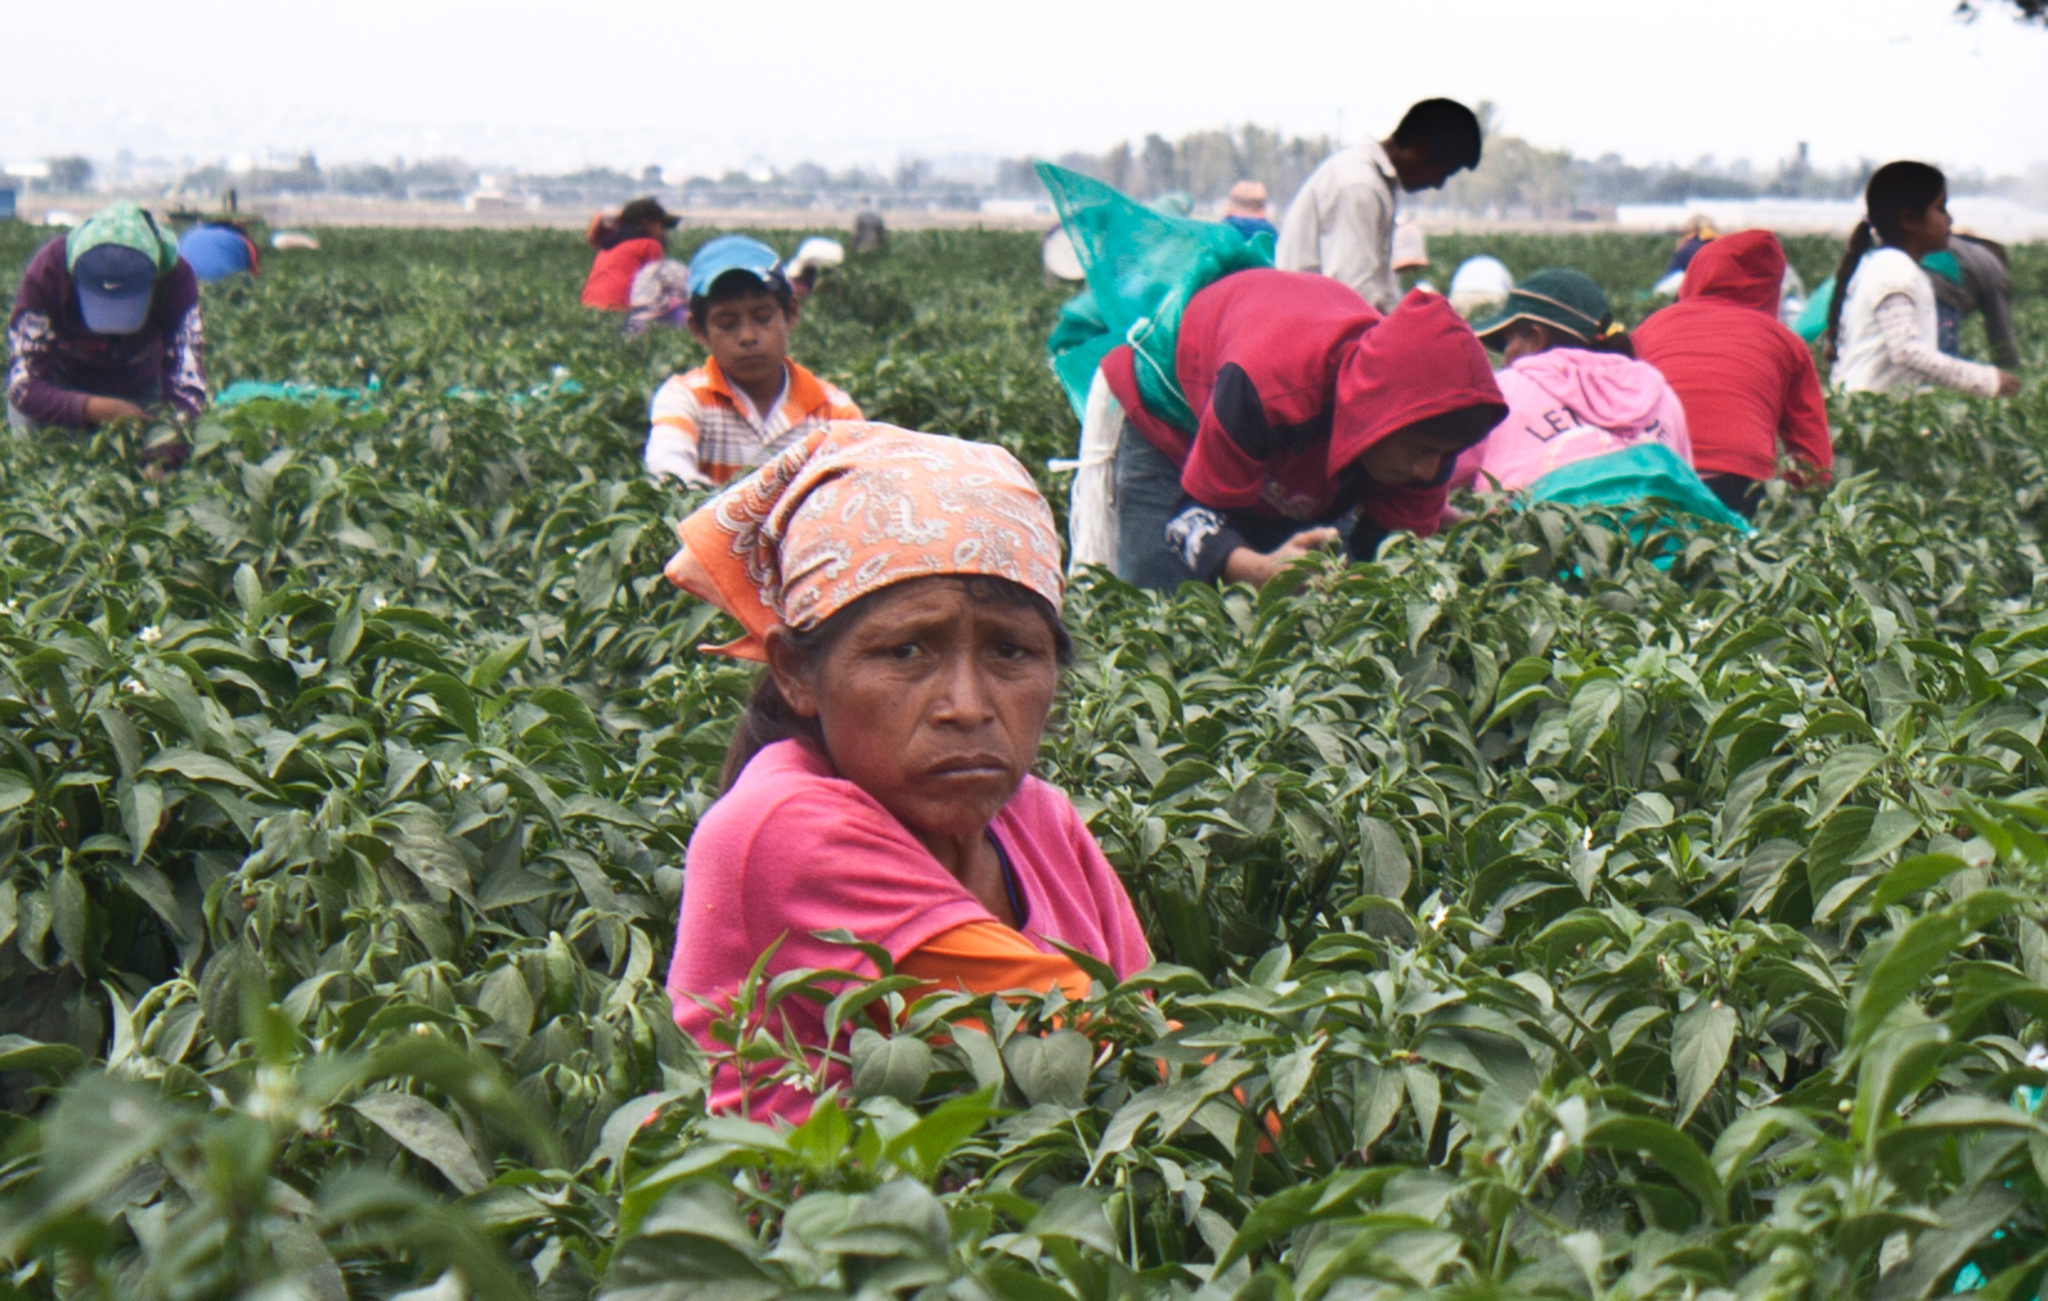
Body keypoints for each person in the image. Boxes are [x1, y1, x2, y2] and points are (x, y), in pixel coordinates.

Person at [662, 422, 1149, 1122]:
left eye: (1011, 652)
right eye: (908, 650)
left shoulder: (1042, 820)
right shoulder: (782, 826)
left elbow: (1155, 1039)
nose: (968, 706)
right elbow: (1123, 1055)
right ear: (797, 671)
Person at [1078, 270, 1508, 590]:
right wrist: (1255, 569)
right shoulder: (1269, 387)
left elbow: (1381, 551)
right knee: (1160, 591)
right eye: (1421, 450)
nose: (1427, 470)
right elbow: (1190, 520)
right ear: (1378, 417)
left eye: (1445, 454)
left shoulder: (1422, 444)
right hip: (1173, 416)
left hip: (1274, 420)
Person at [1633, 230, 1832, 518]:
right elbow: (1813, 461)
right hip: (1739, 480)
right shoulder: (1785, 342)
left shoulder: (1650, 327)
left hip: (1654, 473)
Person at [643, 234, 862, 488]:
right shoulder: (686, 398)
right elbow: (668, 473)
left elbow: (859, 489)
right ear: (698, 330)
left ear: (790, 313)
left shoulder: (835, 412)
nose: (747, 337)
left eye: (763, 318)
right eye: (726, 324)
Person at [1450, 268, 1691, 498]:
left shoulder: (1502, 392)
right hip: (1653, 536)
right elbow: (1688, 490)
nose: (1504, 358)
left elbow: (1438, 473)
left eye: (1507, 342)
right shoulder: (1662, 396)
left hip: (1532, 538)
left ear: (1535, 338)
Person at [6, 201, 205, 471]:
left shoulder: (176, 278)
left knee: (162, 454)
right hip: (60, 383)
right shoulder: (49, 271)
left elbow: (187, 385)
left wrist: (164, 453)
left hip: (139, 388)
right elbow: (22, 385)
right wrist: (91, 408)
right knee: (34, 452)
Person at [1826, 162, 2020, 399]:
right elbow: (1908, 352)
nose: (1950, 219)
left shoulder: (1892, 265)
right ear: (1908, 220)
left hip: (1875, 406)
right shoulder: (1894, 270)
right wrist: (1985, 380)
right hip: (1871, 408)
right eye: (1941, 208)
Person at [1274, 99, 1483, 312]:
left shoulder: (1375, 182)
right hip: (1310, 323)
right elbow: (1352, 291)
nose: (1438, 184)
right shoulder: (1359, 185)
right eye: (1442, 172)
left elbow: (1382, 289)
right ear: (1420, 147)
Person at [1924, 233, 2020, 370]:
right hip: (1939, 294)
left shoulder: (1960, 248)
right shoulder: (1994, 269)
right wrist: (2012, 374)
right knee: (1940, 367)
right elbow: (2001, 334)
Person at [580, 197, 678, 311]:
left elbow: (595, 228)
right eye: (662, 227)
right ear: (646, 224)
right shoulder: (649, 245)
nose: (664, 233)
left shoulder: (609, 244)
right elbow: (658, 286)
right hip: (620, 308)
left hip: (588, 306)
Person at [177, 222, 260, 281]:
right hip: (221, 283)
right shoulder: (243, 241)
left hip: (182, 282)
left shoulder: (190, 233)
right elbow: (253, 274)